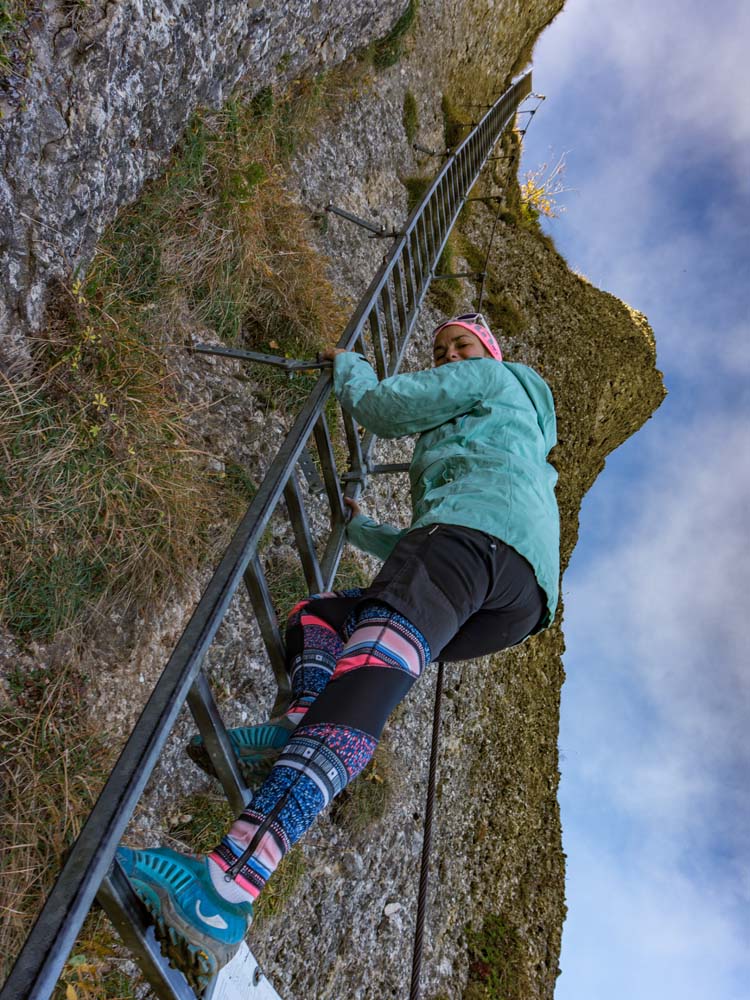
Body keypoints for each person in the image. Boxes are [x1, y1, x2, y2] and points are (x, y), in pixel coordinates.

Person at [116, 314, 560, 992]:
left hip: (466, 545)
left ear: (489, 353)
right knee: (323, 617)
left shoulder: (491, 378)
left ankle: (225, 889)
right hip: (513, 598)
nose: (447, 356)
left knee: (360, 692)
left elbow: (382, 409)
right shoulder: (516, 434)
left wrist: (348, 364)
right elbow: (441, 539)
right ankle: (298, 724)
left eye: (460, 346)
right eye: (440, 349)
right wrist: (362, 528)